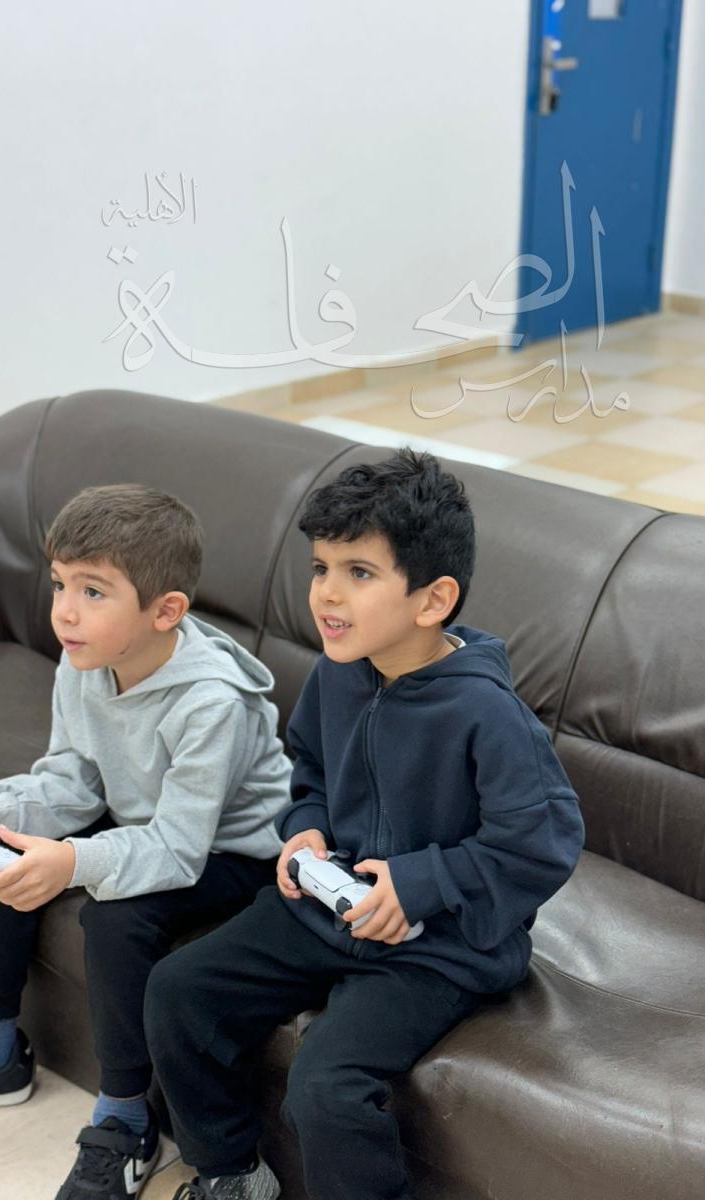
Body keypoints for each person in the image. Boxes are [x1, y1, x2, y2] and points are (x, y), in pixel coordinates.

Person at [143, 449, 586, 1200]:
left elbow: (543, 844)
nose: (327, 592)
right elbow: (310, 767)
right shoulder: (337, 673)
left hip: (439, 948)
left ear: (432, 599)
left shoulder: (490, 715)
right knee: (178, 989)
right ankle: (231, 1175)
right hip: (328, 907)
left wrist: (419, 885)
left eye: (358, 572)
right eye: (321, 568)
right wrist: (307, 827)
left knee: (325, 1086)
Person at [0, 483, 292, 1200]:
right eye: (61, 583)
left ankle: (125, 1121)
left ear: (166, 611)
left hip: (232, 851)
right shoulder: (85, 658)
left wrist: (74, 863)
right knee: (4, 845)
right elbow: (74, 779)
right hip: (142, 822)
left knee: (118, 917)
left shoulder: (212, 703)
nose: (64, 609)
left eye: (93, 592)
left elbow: (179, 848)